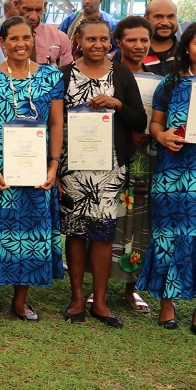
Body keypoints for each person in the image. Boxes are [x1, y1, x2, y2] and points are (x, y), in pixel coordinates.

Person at [0, 16, 65, 323]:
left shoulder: (50, 76)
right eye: (14, 39)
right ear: (2, 42)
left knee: (31, 232)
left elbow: (57, 123)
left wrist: (54, 165)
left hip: (37, 169)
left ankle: (21, 301)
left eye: (26, 38)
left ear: (33, 40)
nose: (21, 44)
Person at [58, 17, 146, 328]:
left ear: (111, 41)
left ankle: (101, 300)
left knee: (103, 233)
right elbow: (53, 123)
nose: (98, 45)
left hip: (110, 168)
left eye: (104, 39)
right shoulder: (65, 74)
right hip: (73, 167)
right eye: (91, 39)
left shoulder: (121, 73)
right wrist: (54, 168)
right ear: (78, 40)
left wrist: (118, 104)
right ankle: (77, 298)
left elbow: (140, 121)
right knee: (76, 231)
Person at [138, 20, 196, 334]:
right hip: (174, 174)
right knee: (168, 236)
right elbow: (155, 124)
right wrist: (163, 135)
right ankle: (166, 305)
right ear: (187, 47)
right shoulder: (170, 83)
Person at [111, 15, 158, 313]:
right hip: (112, 155)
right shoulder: (106, 75)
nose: (138, 46)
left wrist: (149, 132)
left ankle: (132, 289)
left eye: (144, 40)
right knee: (107, 220)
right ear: (119, 42)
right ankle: (98, 287)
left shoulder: (161, 79)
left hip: (146, 159)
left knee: (139, 224)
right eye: (131, 39)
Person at [16, 0, 72, 66]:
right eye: (27, 10)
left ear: (45, 6)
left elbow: (68, 73)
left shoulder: (60, 38)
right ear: (17, 5)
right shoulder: (1, 40)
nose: (33, 17)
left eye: (39, 10)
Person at [144, 0, 180, 75]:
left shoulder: (186, 53)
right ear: (146, 19)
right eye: (159, 17)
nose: (165, 22)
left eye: (171, 17)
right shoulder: (132, 52)